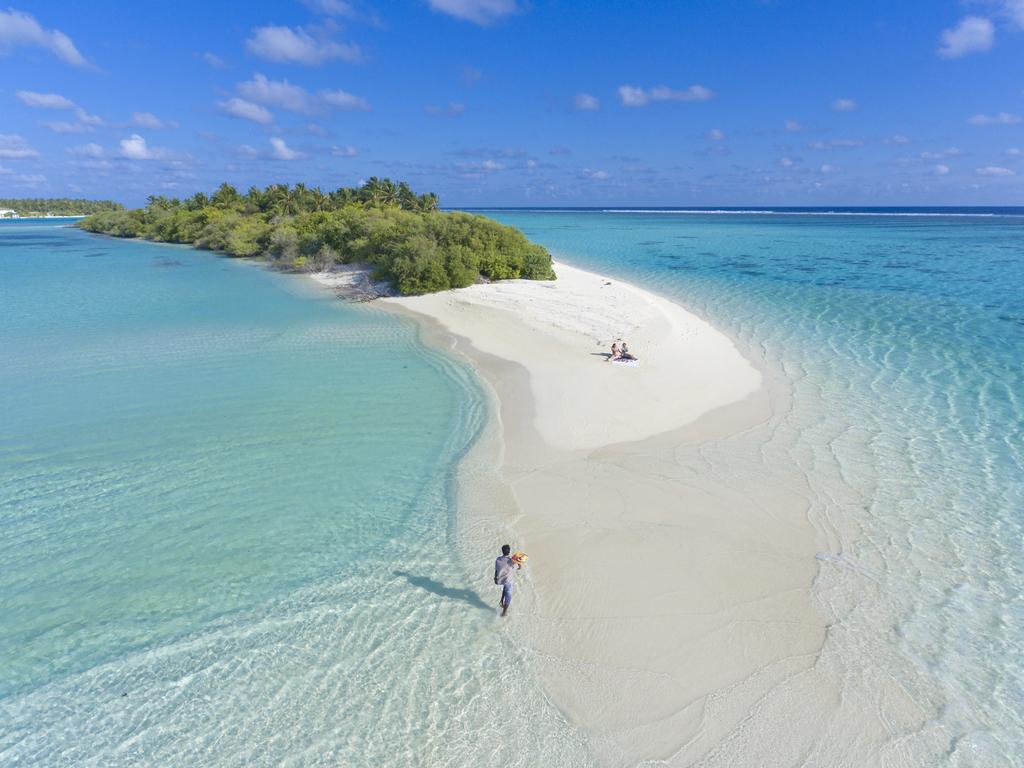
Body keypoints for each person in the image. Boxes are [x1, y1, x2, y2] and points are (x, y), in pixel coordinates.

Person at [494, 544, 520, 616]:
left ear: (502, 551)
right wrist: (519, 563)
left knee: (505, 587)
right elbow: (518, 568)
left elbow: (496, 570)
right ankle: (504, 612)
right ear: (509, 551)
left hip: (500, 579)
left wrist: (495, 578)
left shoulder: (498, 559)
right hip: (508, 581)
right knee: (508, 597)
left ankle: (501, 600)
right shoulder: (511, 561)